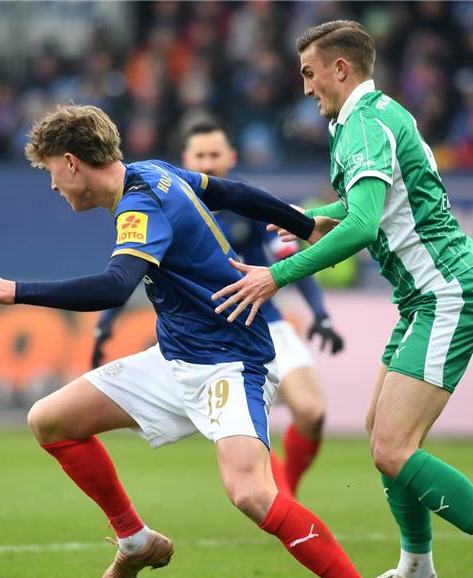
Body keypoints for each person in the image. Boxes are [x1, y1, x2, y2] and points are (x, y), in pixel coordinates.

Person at [0, 104, 403, 578]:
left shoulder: (139, 204)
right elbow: (230, 192)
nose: (52, 185)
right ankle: (135, 540)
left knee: (251, 494)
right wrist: (303, 223)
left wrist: (16, 290)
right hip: (176, 358)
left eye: (50, 169)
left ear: (71, 163)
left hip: (230, 360)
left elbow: (115, 285)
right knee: (49, 420)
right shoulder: (156, 172)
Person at [211, 20, 473, 578]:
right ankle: (417, 570)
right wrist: (311, 220)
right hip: (423, 296)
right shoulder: (374, 118)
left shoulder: (364, 125)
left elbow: (368, 223)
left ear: (341, 68)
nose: (305, 86)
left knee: (394, 447)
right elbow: (364, 207)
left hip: (445, 291)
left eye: (310, 72)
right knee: (381, 433)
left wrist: (275, 277)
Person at [91, 120, 344, 498]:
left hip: (263, 321)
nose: (208, 163)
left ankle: (285, 489)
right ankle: (280, 499)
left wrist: (320, 314)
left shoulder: (247, 204)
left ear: (231, 157)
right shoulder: (169, 202)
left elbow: (288, 256)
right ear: (186, 159)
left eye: (215, 155)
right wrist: (106, 324)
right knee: (242, 430)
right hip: (207, 335)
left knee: (311, 413)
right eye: (201, 156)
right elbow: (128, 269)